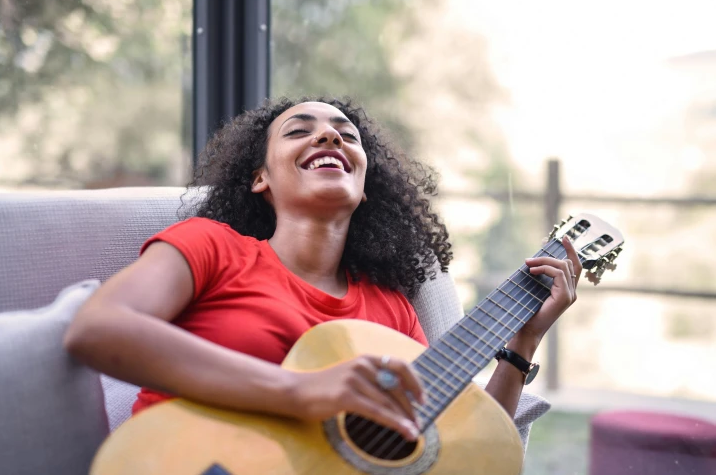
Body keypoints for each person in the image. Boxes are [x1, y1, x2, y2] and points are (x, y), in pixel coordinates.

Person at [64, 97, 581, 442]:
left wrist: (523, 344)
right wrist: (299, 392)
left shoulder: (392, 308)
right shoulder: (211, 247)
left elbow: (457, 450)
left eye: (346, 134)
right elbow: (97, 329)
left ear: (364, 178)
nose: (330, 138)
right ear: (259, 178)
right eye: (300, 131)